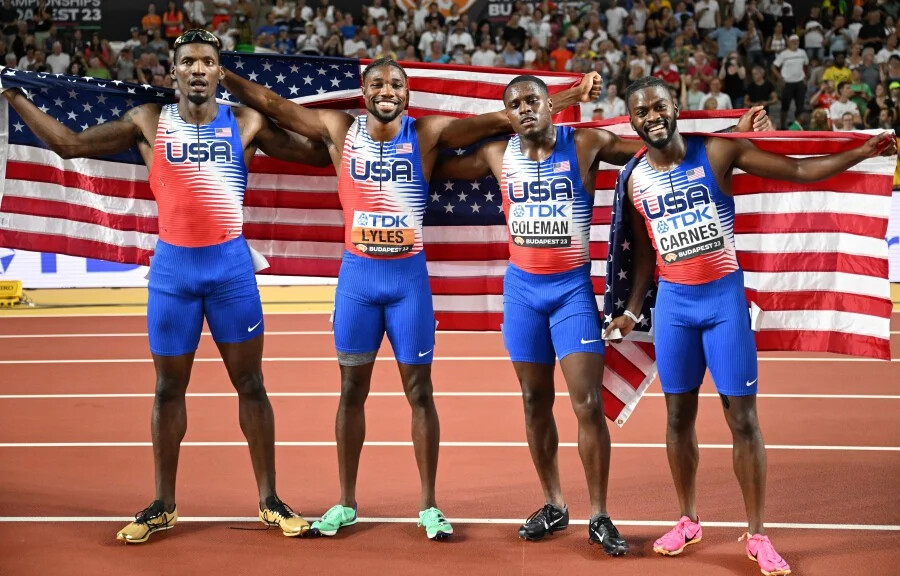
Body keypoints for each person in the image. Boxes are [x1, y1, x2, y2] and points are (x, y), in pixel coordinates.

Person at [221, 58, 602, 541]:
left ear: (408, 93)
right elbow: (274, 105)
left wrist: (567, 98)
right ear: (363, 91)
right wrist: (223, 76)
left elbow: (502, 119)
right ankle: (345, 502)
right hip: (358, 282)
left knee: (420, 393)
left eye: (396, 84)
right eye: (378, 83)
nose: (388, 90)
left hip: (408, 284)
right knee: (351, 392)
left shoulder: (427, 134)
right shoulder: (339, 129)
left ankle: (429, 506)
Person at [1, 29, 331, 543]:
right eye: (189, 61)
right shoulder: (148, 120)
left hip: (231, 273)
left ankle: (269, 500)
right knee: (167, 389)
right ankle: (163, 504)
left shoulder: (246, 122)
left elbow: (318, 154)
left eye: (208, 62)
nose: (198, 69)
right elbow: (68, 146)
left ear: (220, 72)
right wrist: (12, 93)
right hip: (174, 275)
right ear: (172, 71)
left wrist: (343, 123)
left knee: (251, 384)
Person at [434, 76, 769, 555]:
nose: (525, 109)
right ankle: (553, 503)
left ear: (551, 105)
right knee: (533, 400)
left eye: (533, 100)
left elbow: (658, 146)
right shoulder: (496, 153)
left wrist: (733, 133)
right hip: (523, 294)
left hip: (570, 292)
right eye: (515, 105)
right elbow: (438, 156)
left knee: (588, 404)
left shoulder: (586, 143)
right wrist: (491, 123)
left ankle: (599, 514)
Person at [603, 75, 895, 576]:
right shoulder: (634, 179)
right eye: (642, 112)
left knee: (742, 421)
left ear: (677, 108)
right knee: (678, 418)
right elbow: (645, 252)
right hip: (674, 308)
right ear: (632, 121)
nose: (652, 117)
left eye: (659, 107)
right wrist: (631, 310)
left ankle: (757, 533)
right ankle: (688, 519)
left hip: (723, 304)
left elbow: (799, 171)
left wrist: (862, 150)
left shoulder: (717, 153)